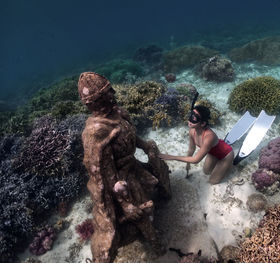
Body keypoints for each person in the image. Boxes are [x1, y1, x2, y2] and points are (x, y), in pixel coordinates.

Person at [78, 72, 170, 263]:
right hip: (122, 179)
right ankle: (157, 246)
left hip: (132, 166)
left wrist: (145, 146)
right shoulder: (96, 131)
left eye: (109, 90)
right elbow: (106, 172)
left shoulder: (119, 113)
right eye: (105, 94)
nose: (112, 94)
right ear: (93, 103)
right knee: (141, 214)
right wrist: (126, 204)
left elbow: (131, 135)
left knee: (153, 184)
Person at [159, 105, 234, 184]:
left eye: (195, 118)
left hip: (225, 155)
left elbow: (196, 160)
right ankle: (219, 164)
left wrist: (171, 157)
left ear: (203, 123)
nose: (190, 120)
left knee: (213, 181)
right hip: (213, 152)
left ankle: (229, 165)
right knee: (206, 171)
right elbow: (191, 149)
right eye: (191, 115)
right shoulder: (192, 131)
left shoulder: (209, 137)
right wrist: (187, 164)